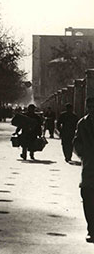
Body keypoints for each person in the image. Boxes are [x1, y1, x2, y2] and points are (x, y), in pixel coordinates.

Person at [73, 97, 94, 243]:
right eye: (90, 106)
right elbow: (77, 142)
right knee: (87, 197)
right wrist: (84, 154)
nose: (91, 109)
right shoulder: (83, 123)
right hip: (89, 166)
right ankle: (91, 230)